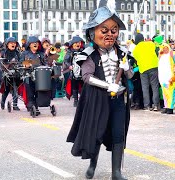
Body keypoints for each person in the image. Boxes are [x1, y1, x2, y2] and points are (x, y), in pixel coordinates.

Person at [66, 3, 134, 180]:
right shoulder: (89, 54)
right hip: (97, 100)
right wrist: (107, 85)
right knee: (96, 132)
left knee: (118, 133)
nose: (110, 34)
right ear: (92, 32)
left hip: (119, 100)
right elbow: (86, 76)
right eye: (104, 30)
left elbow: (131, 75)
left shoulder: (122, 52)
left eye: (114, 30)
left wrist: (127, 68)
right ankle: (92, 165)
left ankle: (116, 172)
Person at [133, 33, 160, 111]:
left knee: (145, 88)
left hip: (143, 69)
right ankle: (155, 105)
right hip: (154, 67)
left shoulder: (135, 49)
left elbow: (136, 60)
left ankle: (147, 106)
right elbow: (156, 51)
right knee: (154, 87)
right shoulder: (150, 44)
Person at [20, 36, 46, 115]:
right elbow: (20, 63)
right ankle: (32, 107)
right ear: (29, 44)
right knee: (30, 92)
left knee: (38, 92)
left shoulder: (41, 54)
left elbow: (45, 63)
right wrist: (25, 65)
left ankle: (36, 107)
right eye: (33, 43)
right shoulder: (25, 53)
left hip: (39, 75)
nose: (35, 44)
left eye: (37, 43)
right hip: (28, 75)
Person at [0, 37, 22, 111]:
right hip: (7, 73)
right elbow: (1, 63)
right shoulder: (4, 53)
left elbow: (21, 61)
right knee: (6, 90)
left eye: (14, 43)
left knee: (15, 89)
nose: (13, 44)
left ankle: (15, 105)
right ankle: (2, 101)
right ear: (7, 44)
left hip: (16, 73)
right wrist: (9, 64)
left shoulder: (18, 53)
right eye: (11, 43)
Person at [63, 36, 85, 107]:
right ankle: (76, 100)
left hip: (83, 71)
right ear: (72, 44)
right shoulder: (70, 52)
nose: (77, 44)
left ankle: (83, 100)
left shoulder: (83, 51)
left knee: (83, 86)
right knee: (74, 86)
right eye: (75, 43)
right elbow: (66, 60)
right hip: (73, 72)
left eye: (79, 43)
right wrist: (70, 66)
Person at [158, 43, 175, 114]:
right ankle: (166, 106)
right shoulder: (161, 56)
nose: (164, 49)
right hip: (163, 78)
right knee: (164, 94)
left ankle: (170, 107)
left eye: (166, 48)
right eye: (163, 48)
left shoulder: (172, 55)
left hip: (170, 77)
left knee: (171, 93)